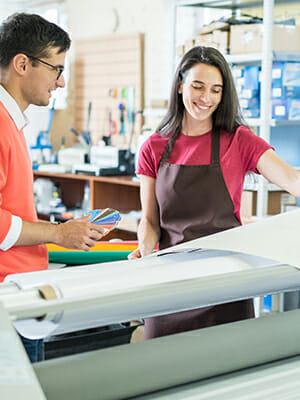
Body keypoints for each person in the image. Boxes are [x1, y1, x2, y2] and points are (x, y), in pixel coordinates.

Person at [129, 45, 300, 340]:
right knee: (164, 371)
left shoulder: (239, 140)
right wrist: (145, 248)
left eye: (216, 90)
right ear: (180, 84)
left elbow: (292, 179)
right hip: (171, 284)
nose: (206, 98)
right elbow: (150, 220)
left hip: (227, 282)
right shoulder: (153, 147)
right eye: (198, 86)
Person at [0, 13, 106, 361]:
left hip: (23, 294)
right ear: (22, 64)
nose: (60, 82)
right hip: (10, 301)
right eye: (56, 68)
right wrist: (59, 233)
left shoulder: (12, 123)